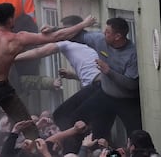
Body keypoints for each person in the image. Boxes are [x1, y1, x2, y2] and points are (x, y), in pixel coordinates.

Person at [0, 2, 96, 153]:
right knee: (27, 125)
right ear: (11, 20)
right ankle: (39, 153)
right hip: (1, 88)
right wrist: (84, 23)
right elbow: (58, 36)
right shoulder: (18, 38)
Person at [55, 17, 141, 153]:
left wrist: (108, 71)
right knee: (74, 119)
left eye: (107, 32)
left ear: (118, 36)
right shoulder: (100, 40)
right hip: (105, 94)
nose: (103, 33)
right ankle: (74, 153)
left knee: (137, 136)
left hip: (126, 100)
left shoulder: (131, 54)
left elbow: (131, 84)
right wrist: (53, 30)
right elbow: (78, 35)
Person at [15, 15, 101, 132]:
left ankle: (74, 146)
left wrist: (12, 58)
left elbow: (39, 52)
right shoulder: (90, 40)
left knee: (62, 116)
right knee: (95, 124)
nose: (63, 32)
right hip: (102, 86)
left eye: (65, 29)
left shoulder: (66, 43)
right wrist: (74, 76)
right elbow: (94, 74)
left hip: (97, 87)